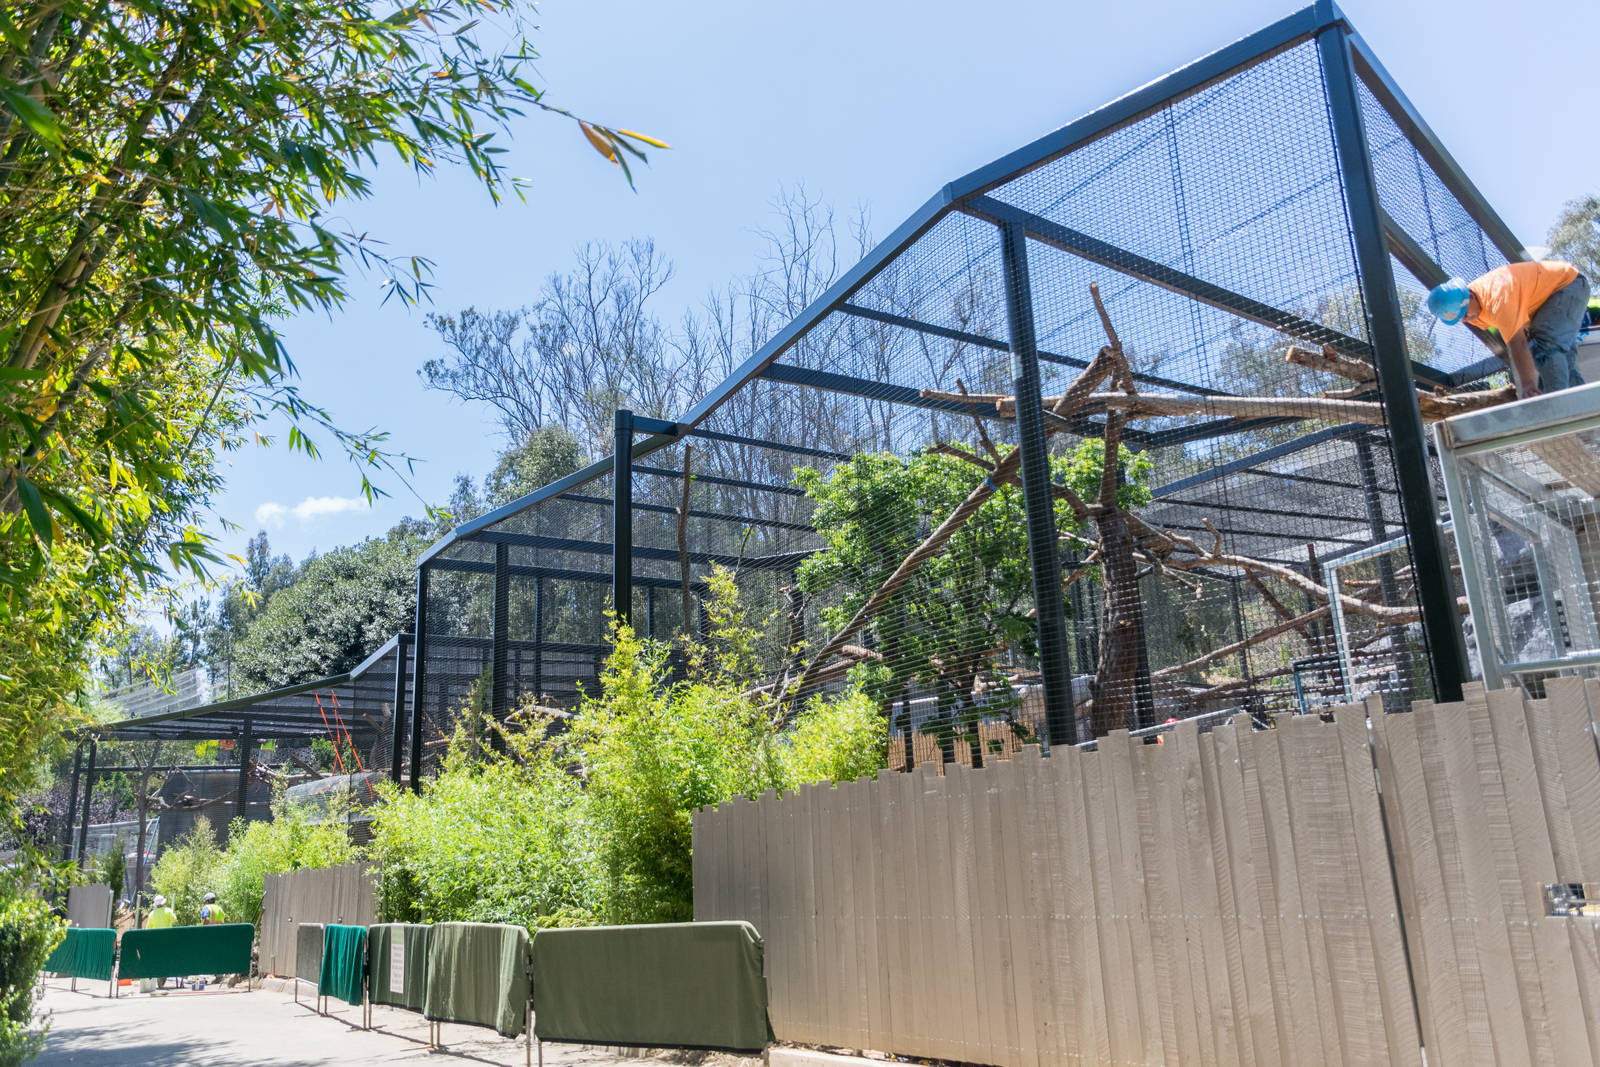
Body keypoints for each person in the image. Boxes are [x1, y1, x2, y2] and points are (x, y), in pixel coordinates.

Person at [1429, 260, 1590, 399]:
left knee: (1546, 346)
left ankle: (1558, 406)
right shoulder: (1474, 313)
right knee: (1557, 361)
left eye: (1464, 313)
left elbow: (1518, 343)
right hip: (1545, 304)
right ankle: (1586, 410)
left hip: (1568, 286)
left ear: (1470, 296)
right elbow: (1514, 334)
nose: (1466, 319)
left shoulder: (1497, 298)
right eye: (1460, 318)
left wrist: (1528, 385)